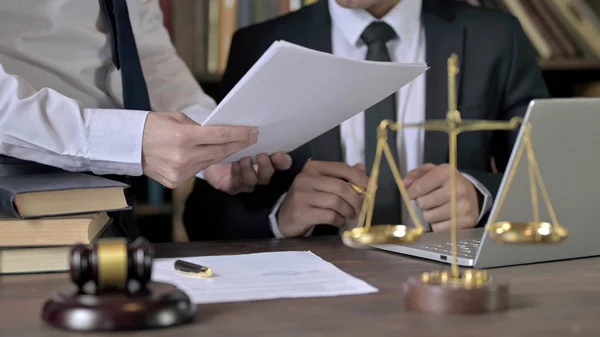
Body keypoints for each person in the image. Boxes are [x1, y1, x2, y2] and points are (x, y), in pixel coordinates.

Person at [183, 0, 549, 240]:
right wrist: (281, 216)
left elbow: (557, 182)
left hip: (452, 286)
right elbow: (202, 216)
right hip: (317, 299)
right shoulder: (258, 44)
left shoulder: (497, 37)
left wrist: (481, 196)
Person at [0, 0, 291, 238]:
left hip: (113, 200)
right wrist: (130, 142)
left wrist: (212, 142)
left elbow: (147, 56)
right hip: (17, 202)